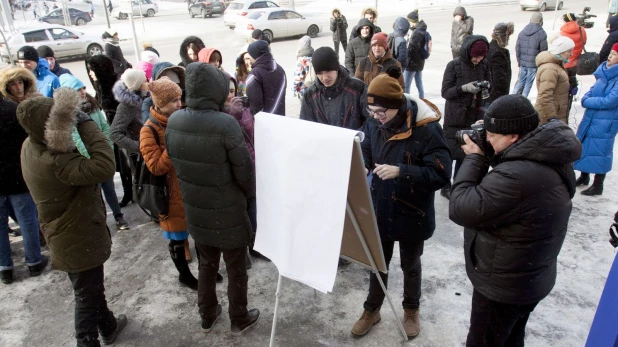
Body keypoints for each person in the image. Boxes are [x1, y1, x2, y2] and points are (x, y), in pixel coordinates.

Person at [449, 94, 582, 347]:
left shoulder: (516, 176)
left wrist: (476, 158)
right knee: (510, 338)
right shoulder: (546, 153)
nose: (486, 139)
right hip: (529, 278)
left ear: (513, 136)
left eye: (492, 134)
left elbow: (461, 208)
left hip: (504, 287)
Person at [18, 88, 128, 346]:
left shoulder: (31, 145)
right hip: (76, 234)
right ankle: (86, 341)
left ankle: (108, 325)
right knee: (86, 296)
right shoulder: (55, 161)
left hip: (67, 230)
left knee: (90, 287)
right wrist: (85, 123)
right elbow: (104, 165)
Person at [352, 67, 451, 339]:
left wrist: (402, 171)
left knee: (410, 264)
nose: (376, 117)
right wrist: (361, 165)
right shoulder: (375, 121)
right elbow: (366, 149)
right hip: (380, 206)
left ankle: (411, 309)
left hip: (412, 210)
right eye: (372, 112)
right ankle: (372, 309)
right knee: (377, 262)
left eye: (382, 112)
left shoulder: (427, 128)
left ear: (397, 106)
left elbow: (442, 174)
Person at [165, 63, 260, 335]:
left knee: (207, 264)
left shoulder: (175, 120)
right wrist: (250, 195)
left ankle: (207, 314)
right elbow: (244, 170)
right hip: (227, 209)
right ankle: (238, 317)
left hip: (196, 209)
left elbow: (176, 160)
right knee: (236, 267)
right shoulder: (225, 123)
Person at [140, 77, 199, 289]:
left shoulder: (180, 119)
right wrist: (173, 143)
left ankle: (206, 272)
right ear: (160, 103)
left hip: (190, 188)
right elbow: (155, 166)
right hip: (170, 195)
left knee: (199, 235)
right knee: (177, 238)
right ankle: (185, 275)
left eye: (179, 99)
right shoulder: (149, 130)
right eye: (173, 101)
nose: (179, 104)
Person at [59, 73, 129, 231]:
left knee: (109, 187)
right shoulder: (67, 113)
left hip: (102, 154)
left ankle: (118, 216)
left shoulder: (92, 104)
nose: (83, 91)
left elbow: (104, 127)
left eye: (83, 87)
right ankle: (100, 220)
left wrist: (107, 147)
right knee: (94, 192)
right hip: (86, 160)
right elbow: (75, 138)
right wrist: (89, 157)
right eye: (78, 89)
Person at [0, 93, 47, 285]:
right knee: (27, 219)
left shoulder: (13, 109)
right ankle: (34, 261)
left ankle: (5, 268)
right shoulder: (13, 110)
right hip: (17, 176)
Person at [440, 35, 490, 199]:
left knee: (467, 154)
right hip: (455, 118)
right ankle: (445, 184)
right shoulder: (454, 66)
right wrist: (464, 88)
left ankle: (459, 184)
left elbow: (490, 85)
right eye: (475, 56)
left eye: (481, 57)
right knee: (449, 154)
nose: (477, 60)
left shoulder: (484, 65)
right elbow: (446, 92)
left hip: (474, 117)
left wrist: (486, 88)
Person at [86, 55, 134, 207]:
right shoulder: (100, 86)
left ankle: (133, 192)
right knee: (123, 166)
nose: (90, 73)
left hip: (124, 131)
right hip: (113, 131)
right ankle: (129, 193)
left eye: (92, 70)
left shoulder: (116, 86)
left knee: (128, 165)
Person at [573, 43, 618, 196]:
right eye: (610, 53)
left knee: (601, 151)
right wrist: (588, 100)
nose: (610, 56)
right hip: (592, 117)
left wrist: (589, 102)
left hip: (607, 121)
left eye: (614, 54)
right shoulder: (604, 73)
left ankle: (598, 184)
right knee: (585, 145)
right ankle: (584, 176)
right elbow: (589, 93)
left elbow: (610, 101)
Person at [300, 46, 368, 130]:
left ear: (336, 68)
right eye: (320, 73)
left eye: (328, 71)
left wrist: (355, 138)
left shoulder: (358, 88)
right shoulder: (310, 95)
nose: (325, 78)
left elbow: (370, 123)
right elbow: (306, 127)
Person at [110, 69, 148, 206]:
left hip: (151, 150)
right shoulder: (126, 106)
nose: (148, 82)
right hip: (140, 156)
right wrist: (139, 147)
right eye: (144, 81)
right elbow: (114, 133)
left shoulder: (146, 98)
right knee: (147, 188)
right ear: (137, 85)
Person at [534, 36, 573, 125]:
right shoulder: (550, 69)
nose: (571, 54)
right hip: (548, 117)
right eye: (569, 51)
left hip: (556, 114)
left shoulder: (557, 65)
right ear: (561, 51)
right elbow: (544, 95)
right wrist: (551, 117)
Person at [245, 40, 286, 116]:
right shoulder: (281, 70)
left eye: (250, 54)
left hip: (263, 123)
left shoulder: (254, 74)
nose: (249, 58)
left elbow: (255, 105)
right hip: (280, 119)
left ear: (255, 54)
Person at [513, 13, 548, 97]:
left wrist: (519, 61)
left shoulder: (522, 32)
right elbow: (544, 51)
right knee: (528, 84)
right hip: (533, 64)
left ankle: (511, 98)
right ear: (540, 22)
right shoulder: (541, 33)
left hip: (523, 63)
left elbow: (517, 48)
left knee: (520, 82)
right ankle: (523, 100)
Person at [487, 22, 514, 105]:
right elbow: (498, 80)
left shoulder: (491, 47)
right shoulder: (497, 52)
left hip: (494, 96)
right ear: (503, 36)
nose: (508, 39)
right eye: (508, 36)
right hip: (497, 97)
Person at [405, 11, 431, 97]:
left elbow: (413, 49)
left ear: (412, 21)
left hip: (412, 63)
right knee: (419, 83)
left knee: (406, 84)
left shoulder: (416, 33)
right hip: (420, 62)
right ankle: (422, 99)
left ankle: (406, 101)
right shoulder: (422, 30)